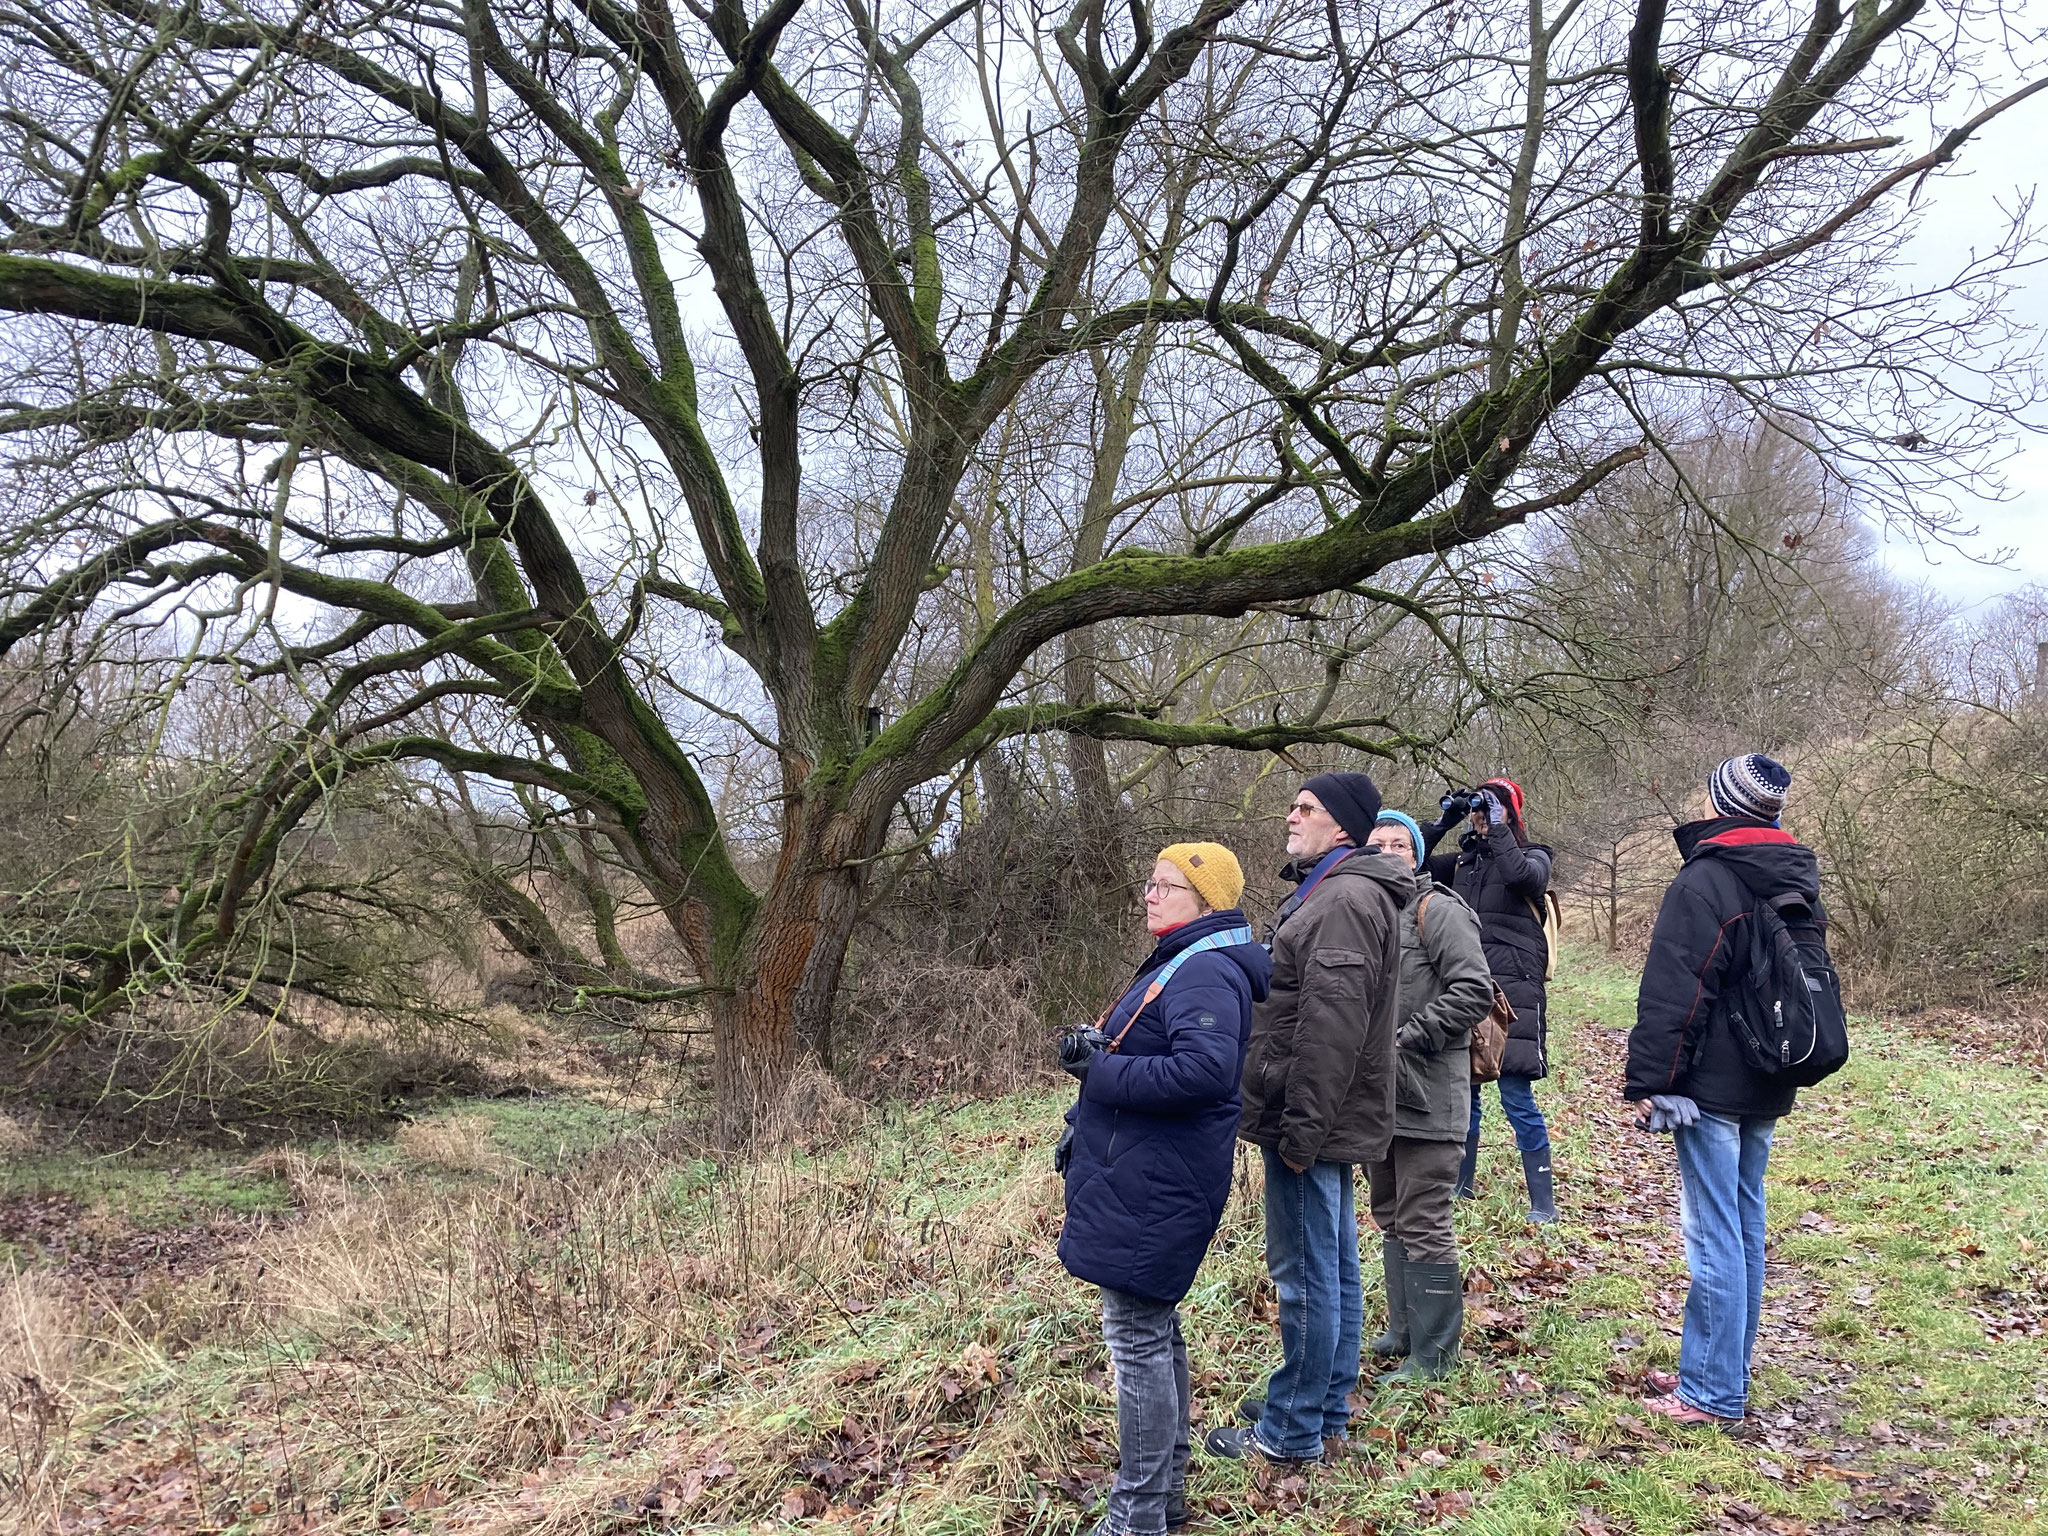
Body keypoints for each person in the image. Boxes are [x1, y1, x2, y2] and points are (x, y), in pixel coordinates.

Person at [1057, 842, 1271, 1536]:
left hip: (1156, 1185)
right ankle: (1165, 1495)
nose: (1150, 895)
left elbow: (1203, 1073)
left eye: (1166, 886)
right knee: (1153, 1326)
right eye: (1150, 883)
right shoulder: (1186, 961)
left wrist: (1100, 1075)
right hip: (1145, 1175)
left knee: (1137, 1336)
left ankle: (1138, 1516)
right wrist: (1095, 1063)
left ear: (1207, 901)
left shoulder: (1205, 972)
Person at [1205, 773, 1414, 1466]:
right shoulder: (1334, 890)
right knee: (1333, 1267)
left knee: (1307, 1274)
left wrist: (1300, 1131)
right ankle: (1322, 1408)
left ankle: (1291, 1433)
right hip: (1323, 1115)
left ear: (1343, 828)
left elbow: (1331, 1029)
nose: (1291, 816)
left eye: (1307, 808)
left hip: (1311, 1117)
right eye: (1293, 804)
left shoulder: (1345, 900)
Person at [1624, 752, 1814, 1427]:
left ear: (1722, 804)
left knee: (1713, 1235)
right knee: (1742, 1224)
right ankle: (1716, 1368)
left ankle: (1710, 1391)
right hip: (1771, 1071)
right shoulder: (1793, 872)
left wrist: (1651, 1081)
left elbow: (1677, 988)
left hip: (1712, 1084)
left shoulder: (1706, 878)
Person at [1359, 809, 1493, 1380]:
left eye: (1400, 844)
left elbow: (1474, 990)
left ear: (1416, 855)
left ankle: (1435, 1356)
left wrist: (1406, 1038)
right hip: (1377, 1099)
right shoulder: (1365, 916)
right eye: (1377, 843)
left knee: (1425, 1217)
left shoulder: (1436, 910)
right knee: (1389, 1214)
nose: (1389, 852)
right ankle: (1403, 1331)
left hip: (1432, 1094)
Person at [1419, 777, 1557, 1222]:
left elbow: (1523, 876)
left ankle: (1543, 1205)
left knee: (1516, 1095)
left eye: (1489, 808)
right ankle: (1462, 1187)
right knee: (1467, 1094)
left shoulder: (1534, 856)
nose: (1480, 816)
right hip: (1466, 988)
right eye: (1478, 810)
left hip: (1515, 990)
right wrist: (1445, 821)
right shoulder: (1461, 863)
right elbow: (1407, 862)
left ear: (1510, 813)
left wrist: (1499, 826)